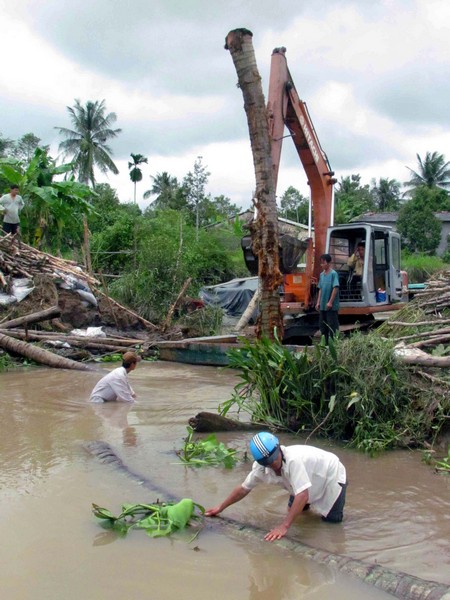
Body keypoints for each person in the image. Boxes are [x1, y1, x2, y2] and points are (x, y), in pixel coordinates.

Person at [205, 432, 347, 542]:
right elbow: (243, 489)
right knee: (297, 511)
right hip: (301, 480)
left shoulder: (293, 460)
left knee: (332, 524)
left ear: (279, 448)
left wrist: (284, 526)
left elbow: (303, 495)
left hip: (330, 474)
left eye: (273, 457)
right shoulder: (261, 468)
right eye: (266, 462)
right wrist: (220, 507)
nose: (273, 463)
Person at [315, 253, 339, 343]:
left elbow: (335, 287)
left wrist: (330, 302)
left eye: (323, 262)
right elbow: (320, 288)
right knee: (323, 326)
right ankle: (324, 344)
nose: (322, 265)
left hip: (331, 306)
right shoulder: (322, 275)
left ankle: (334, 344)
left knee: (332, 326)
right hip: (323, 305)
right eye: (321, 263)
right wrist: (318, 302)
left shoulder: (333, 274)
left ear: (329, 263)